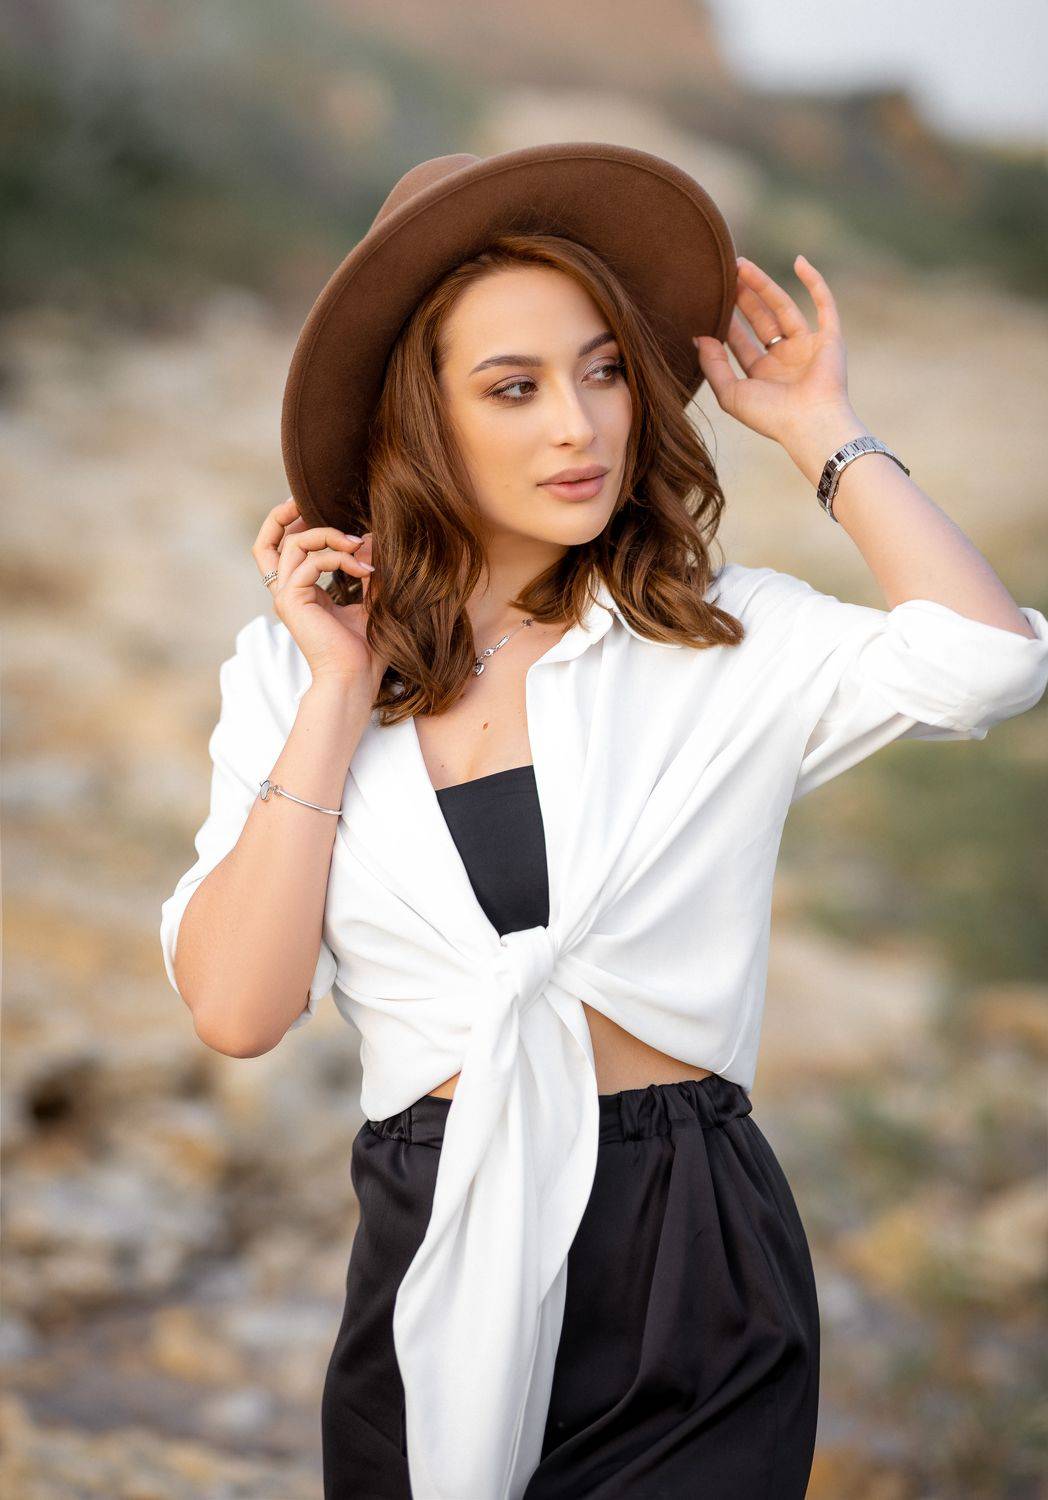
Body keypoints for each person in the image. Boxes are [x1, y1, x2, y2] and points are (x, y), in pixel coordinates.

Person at [159, 145, 1048, 1500]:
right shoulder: (292, 674)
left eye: (605, 371)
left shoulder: (716, 637)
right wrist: (338, 693)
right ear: (420, 418)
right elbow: (236, 1009)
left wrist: (823, 430)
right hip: (431, 1239)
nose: (579, 426)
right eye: (513, 387)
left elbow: (988, 664)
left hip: (690, 1256)